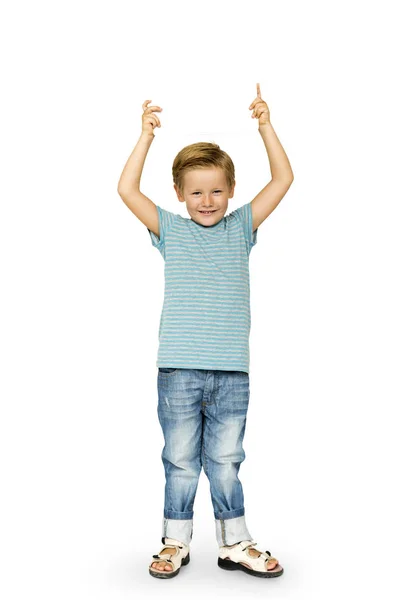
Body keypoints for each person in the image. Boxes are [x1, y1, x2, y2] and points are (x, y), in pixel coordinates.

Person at [117, 83, 294, 579]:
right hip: (177, 370)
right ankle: (175, 542)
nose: (207, 200)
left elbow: (284, 179)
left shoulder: (242, 227)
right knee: (178, 459)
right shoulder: (170, 229)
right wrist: (145, 138)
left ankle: (234, 542)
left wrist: (265, 125)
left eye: (217, 189)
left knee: (226, 458)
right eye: (196, 191)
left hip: (231, 372)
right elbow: (127, 191)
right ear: (179, 194)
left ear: (231, 190)